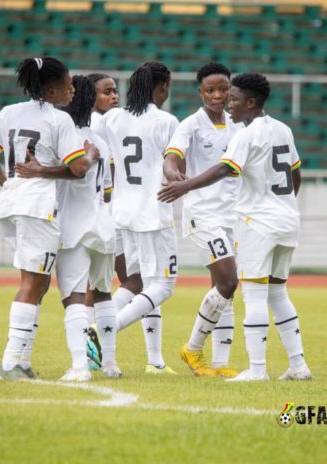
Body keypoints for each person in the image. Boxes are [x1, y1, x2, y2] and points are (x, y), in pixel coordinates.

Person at [158, 73, 312, 382]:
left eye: (235, 98)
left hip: (257, 223)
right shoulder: (283, 129)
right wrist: (279, 205)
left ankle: (256, 370)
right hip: (287, 220)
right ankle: (298, 367)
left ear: (250, 103)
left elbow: (224, 168)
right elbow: (296, 174)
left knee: (253, 294)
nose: (229, 104)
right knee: (278, 293)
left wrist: (186, 185)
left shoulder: (246, 134)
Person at [0, 56, 91, 381]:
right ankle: (10, 363)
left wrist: (10, 185)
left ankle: (23, 361)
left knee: (37, 282)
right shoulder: (59, 119)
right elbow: (79, 169)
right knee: (32, 284)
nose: (73, 90)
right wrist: (83, 157)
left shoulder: (8, 112)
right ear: (52, 92)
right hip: (38, 207)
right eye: (68, 85)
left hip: (11, 204)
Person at [15, 75, 119, 381]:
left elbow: (76, 170)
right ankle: (110, 364)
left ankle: (80, 367)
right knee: (103, 294)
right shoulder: (100, 141)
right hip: (103, 224)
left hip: (74, 226)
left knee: (73, 297)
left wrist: (40, 171)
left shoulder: (65, 133)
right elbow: (108, 191)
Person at [95, 62, 179, 374]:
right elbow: (177, 165)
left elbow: (96, 151)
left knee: (143, 284)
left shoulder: (112, 118)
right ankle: (101, 331)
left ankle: (155, 362)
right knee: (164, 286)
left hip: (121, 212)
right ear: (163, 86)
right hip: (153, 213)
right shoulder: (166, 121)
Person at [162, 62, 242, 378]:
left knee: (224, 289)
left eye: (223, 89)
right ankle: (193, 349)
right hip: (203, 215)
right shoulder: (190, 125)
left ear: (231, 90)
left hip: (233, 215)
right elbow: (171, 158)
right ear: (201, 92)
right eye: (211, 90)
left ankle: (220, 364)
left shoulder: (238, 124)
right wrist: (173, 175)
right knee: (229, 281)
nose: (217, 95)